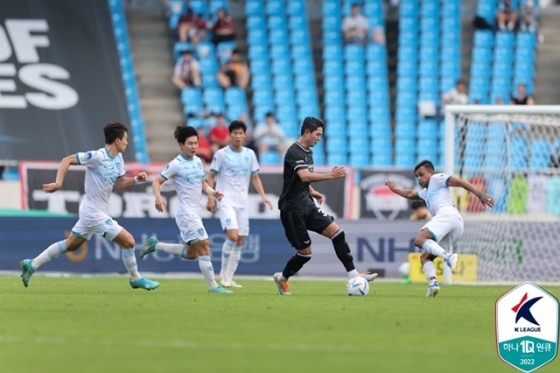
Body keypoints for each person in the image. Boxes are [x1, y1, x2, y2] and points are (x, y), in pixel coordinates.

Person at [19, 122, 159, 290]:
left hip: (93, 211)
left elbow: (120, 184)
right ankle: (135, 278)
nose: (127, 142)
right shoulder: (97, 156)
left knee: (71, 245)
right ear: (117, 140)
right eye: (125, 139)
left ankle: (32, 264)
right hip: (93, 213)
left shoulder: (119, 159)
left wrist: (136, 179)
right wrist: (58, 183)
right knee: (129, 241)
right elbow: (67, 160)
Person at [272, 117, 378, 295]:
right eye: (317, 134)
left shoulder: (308, 152)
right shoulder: (294, 152)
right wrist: (330, 176)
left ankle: (353, 274)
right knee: (305, 254)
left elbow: (301, 180)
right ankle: (282, 278)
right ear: (307, 132)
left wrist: (311, 191)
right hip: (292, 210)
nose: (319, 138)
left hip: (307, 204)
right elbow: (304, 176)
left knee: (337, 233)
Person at [140, 126, 232, 294]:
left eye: (196, 143)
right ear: (181, 145)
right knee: (204, 244)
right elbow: (156, 182)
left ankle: (156, 245)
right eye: (190, 143)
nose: (194, 146)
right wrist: (158, 197)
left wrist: (213, 192)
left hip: (195, 212)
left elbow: (202, 182)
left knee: (191, 254)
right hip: (186, 213)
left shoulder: (198, 161)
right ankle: (213, 287)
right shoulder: (176, 164)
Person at [385, 160, 494, 297]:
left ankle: (448, 258)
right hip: (456, 226)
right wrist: (395, 189)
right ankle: (433, 284)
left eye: (421, 174)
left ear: (431, 172)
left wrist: (479, 194)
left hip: (448, 215)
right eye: (417, 176)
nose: (419, 178)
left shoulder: (437, 179)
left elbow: (460, 182)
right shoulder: (426, 192)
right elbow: (410, 194)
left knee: (420, 239)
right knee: (425, 257)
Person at [206, 120, 273, 288]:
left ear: (244, 135)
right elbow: (212, 176)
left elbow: (255, 177)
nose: (237, 136)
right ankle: (222, 273)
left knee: (240, 241)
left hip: (242, 202)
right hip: (225, 200)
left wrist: (263, 196)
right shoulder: (221, 154)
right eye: (234, 133)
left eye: (240, 133)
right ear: (230, 135)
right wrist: (209, 197)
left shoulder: (250, 154)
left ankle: (229, 277)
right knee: (233, 236)